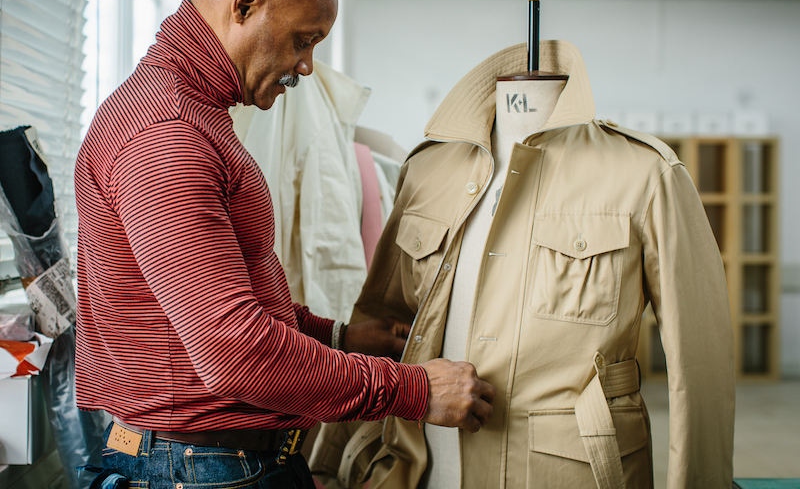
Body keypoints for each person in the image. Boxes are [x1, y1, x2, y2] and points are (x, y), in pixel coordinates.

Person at [73, 0, 495, 489]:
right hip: (203, 469)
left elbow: (219, 303)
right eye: (302, 40)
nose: (307, 67)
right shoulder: (168, 137)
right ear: (244, 4)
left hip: (206, 464)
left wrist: (338, 337)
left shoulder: (188, 114)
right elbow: (234, 348)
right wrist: (415, 391)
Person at [309, 40, 735, 488]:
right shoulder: (429, 168)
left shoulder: (644, 173)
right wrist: (334, 459)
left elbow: (699, 363)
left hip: (570, 475)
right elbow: (379, 325)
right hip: (419, 468)